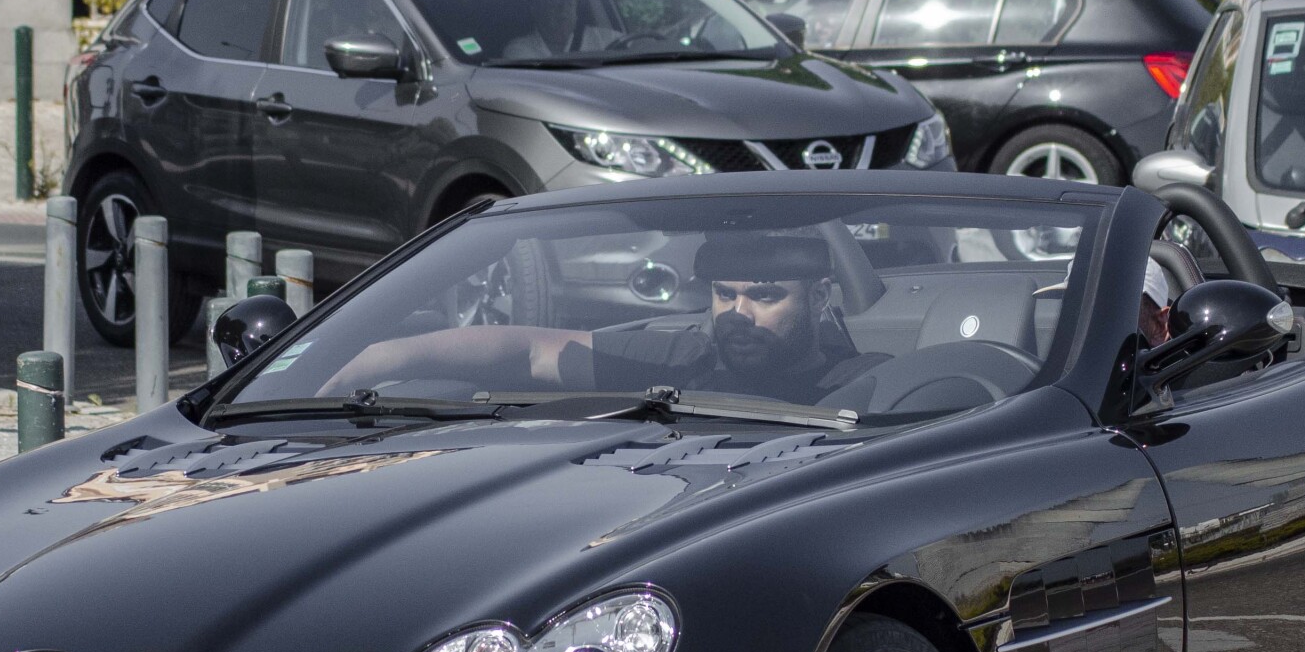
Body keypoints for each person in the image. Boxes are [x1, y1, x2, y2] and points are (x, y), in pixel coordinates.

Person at [322, 233, 886, 405]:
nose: (737, 315)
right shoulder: (687, 361)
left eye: (764, 296)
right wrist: (382, 357)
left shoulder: (868, 385)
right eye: (723, 294)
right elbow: (533, 353)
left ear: (818, 299)